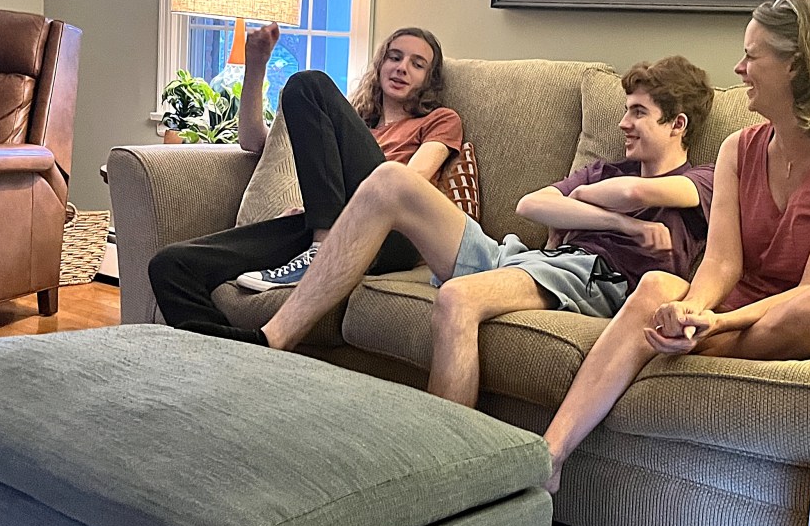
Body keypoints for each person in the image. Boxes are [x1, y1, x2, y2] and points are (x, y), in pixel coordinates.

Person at [183, 56, 718, 410]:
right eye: (625, 111)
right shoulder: (605, 172)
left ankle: (448, 477)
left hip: (592, 281)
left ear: (677, 125)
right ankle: (271, 340)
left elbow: (645, 194)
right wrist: (612, 219)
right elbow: (532, 204)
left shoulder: (703, 180)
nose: (624, 124)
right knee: (390, 180)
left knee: (459, 299)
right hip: (528, 258)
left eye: (638, 113)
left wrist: (589, 203)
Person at [541, 0, 810, 493]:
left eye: (752, 56)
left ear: (797, 65)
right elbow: (722, 262)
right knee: (657, 286)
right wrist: (693, 308)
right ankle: (549, 459)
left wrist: (713, 322)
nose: (739, 67)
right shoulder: (738, 148)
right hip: (743, 311)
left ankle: (679, 347)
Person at [148, 24, 462, 327]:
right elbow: (254, 141)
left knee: (309, 83)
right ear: (380, 65)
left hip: (390, 233)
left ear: (428, 81)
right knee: (171, 266)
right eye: (394, 57)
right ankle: (233, 355)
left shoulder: (439, 120)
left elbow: (407, 183)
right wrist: (256, 66)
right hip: (332, 224)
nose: (402, 67)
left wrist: (325, 218)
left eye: (417, 64)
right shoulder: (350, 124)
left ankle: (321, 248)